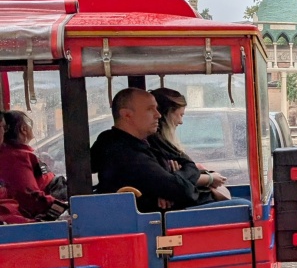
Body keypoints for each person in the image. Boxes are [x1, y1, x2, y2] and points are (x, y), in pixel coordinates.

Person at [91, 88, 249, 214]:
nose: (158, 115)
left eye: (157, 109)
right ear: (127, 115)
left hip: (172, 209)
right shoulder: (123, 151)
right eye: (150, 109)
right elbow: (182, 190)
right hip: (162, 218)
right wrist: (172, 184)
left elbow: (188, 164)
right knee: (245, 208)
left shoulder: (144, 141)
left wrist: (172, 180)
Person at [148, 88, 232, 203]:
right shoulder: (156, 143)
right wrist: (210, 179)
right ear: (167, 114)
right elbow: (177, 181)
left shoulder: (160, 143)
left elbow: (183, 174)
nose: (181, 121)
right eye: (180, 115)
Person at [0, 110, 67, 221]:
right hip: (54, 196)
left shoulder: (20, 153)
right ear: (23, 129)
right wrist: (60, 207)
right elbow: (29, 195)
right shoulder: (14, 157)